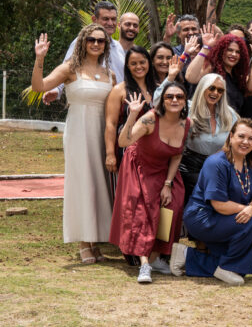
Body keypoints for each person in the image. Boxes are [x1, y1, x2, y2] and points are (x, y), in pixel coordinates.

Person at [33, 25, 115, 263]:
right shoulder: (70, 69)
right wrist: (40, 59)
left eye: (101, 40)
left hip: (103, 133)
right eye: (91, 39)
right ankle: (82, 242)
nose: (96, 44)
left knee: (101, 185)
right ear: (83, 41)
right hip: (79, 131)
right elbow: (39, 87)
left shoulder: (110, 73)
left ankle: (96, 240)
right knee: (82, 183)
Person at [109, 83, 189, 282]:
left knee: (173, 205)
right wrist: (131, 115)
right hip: (139, 166)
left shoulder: (186, 123)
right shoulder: (150, 119)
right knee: (143, 211)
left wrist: (168, 184)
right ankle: (144, 265)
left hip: (164, 170)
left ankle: (155, 257)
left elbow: (177, 155)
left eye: (179, 96)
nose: (174, 100)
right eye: (169, 96)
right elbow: (123, 142)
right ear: (162, 100)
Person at [170, 119, 252, 285]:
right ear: (231, 137)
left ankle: (186, 255)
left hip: (227, 218)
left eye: (251, 139)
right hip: (203, 217)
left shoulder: (251, 165)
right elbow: (219, 204)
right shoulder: (217, 163)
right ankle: (227, 268)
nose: (245, 142)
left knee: (236, 264)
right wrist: (248, 210)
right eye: (241, 136)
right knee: (251, 224)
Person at [41, 2, 124, 104]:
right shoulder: (81, 43)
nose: (110, 23)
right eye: (106, 19)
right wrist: (57, 90)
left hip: (117, 110)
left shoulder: (119, 47)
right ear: (94, 19)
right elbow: (68, 68)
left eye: (113, 19)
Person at [179, 73, 238, 207]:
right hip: (190, 167)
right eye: (211, 88)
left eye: (220, 90)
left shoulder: (230, 114)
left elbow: (236, 140)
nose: (215, 93)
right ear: (202, 88)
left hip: (218, 167)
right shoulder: (187, 108)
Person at [104, 45, 159, 175]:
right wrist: (110, 154)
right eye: (133, 63)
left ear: (149, 63)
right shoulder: (119, 90)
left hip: (153, 150)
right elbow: (110, 124)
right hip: (126, 149)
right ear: (127, 66)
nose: (138, 66)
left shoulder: (158, 89)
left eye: (142, 62)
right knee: (126, 191)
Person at [185, 30, 252, 112]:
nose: (234, 54)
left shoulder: (238, 77)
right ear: (221, 51)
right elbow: (190, 77)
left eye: (237, 52)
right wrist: (206, 48)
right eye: (230, 50)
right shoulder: (210, 68)